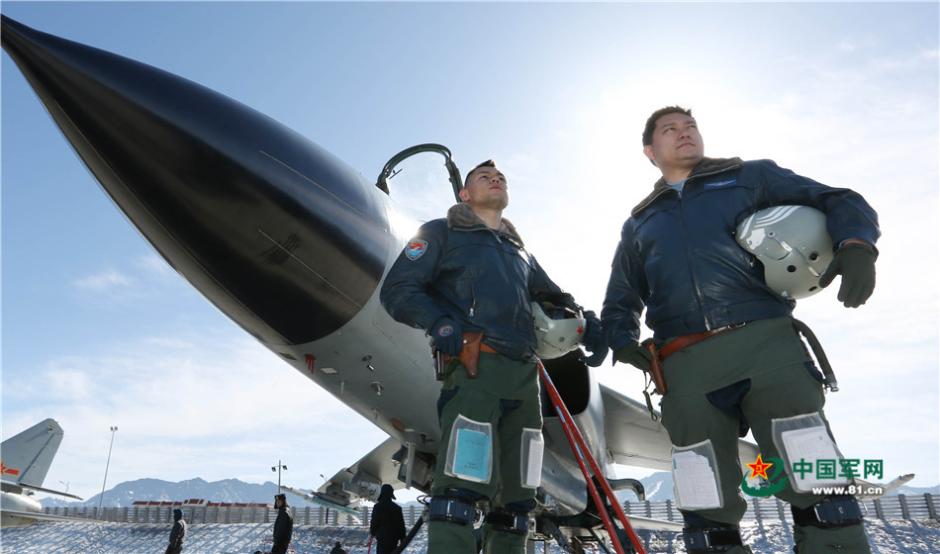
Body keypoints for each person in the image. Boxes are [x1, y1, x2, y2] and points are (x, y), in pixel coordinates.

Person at [602, 106, 879, 554]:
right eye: (670, 130)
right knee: (703, 498)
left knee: (818, 482)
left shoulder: (750, 176)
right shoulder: (639, 223)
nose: (684, 133)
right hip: (685, 364)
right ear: (650, 151)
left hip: (767, 344)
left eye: (690, 125)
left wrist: (857, 244)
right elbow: (620, 298)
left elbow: (840, 199)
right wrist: (621, 341)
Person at [380, 160, 608, 554]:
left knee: (519, 497)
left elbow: (555, 299)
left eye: (500, 177)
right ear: (465, 195)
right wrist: (442, 324)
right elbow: (398, 290)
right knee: (461, 486)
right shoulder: (441, 233)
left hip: (524, 380)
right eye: (484, 177)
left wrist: (588, 323)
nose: (495, 179)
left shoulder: (520, 255)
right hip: (475, 371)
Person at [369, 484, 406, 554]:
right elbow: (401, 526)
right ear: (391, 494)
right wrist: (402, 539)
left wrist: (372, 532)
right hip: (394, 541)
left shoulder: (377, 507)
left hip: (382, 540)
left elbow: (374, 522)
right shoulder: (397, 508)